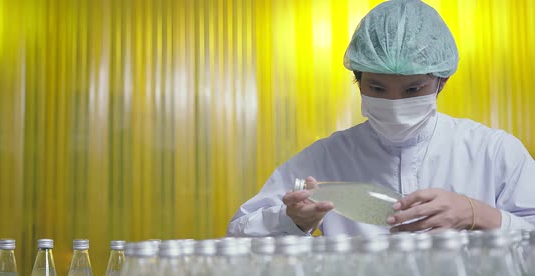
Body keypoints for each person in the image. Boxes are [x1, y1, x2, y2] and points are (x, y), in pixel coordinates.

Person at [227, 0, 535, 237]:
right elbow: (239, 235)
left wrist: (478, 214)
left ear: (442, 81)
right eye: (377, 87)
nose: (394, 103)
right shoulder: (324, 161)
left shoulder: (493, 153)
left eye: (413, 89)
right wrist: (291, 220)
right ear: (357, 80)